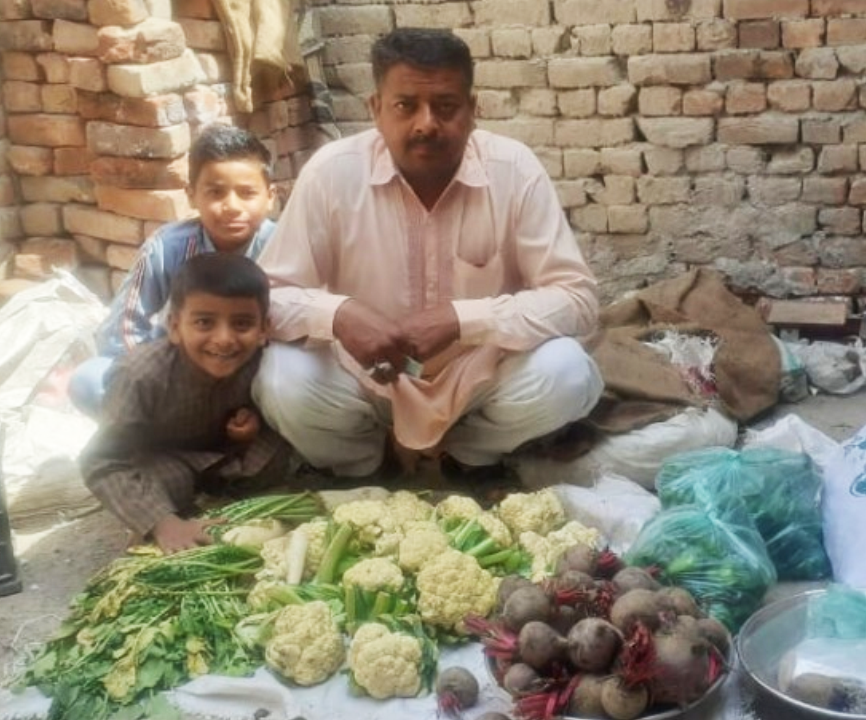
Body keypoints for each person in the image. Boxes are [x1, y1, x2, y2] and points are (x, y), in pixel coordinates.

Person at [253, 27, 604, 481]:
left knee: (567, 372)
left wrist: (464, 320)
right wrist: (340, 315)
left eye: (445, 106)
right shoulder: (331, 173)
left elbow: (578, 301)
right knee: (283, 380)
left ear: (473, 111)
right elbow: (267, 298)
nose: (426, 124)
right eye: (405, 106)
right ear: (375, 110)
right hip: (367, 379)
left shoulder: (514, 170)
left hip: (477, 378)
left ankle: (464, 458)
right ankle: (368, 467)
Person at [79, 253, 288, 554]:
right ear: (175, 326)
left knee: (276, 452)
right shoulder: (140, 374)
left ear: (264, 329)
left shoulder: (265, 361)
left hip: (226, 454)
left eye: (242, 324)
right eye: (204, 322)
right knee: (165, 483)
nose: (224, 339)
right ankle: (165, 516)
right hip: (166, 457)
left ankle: (217, 495)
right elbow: (101, 460)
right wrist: (163, 523)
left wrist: (250, 430)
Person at [68, 124, 277, 417]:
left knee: (285, 385)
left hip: (247, 373)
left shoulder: (284, 247)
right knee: (88, 381)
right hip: (175, 373)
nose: (231, 206)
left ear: (270, 196)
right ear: (191, 195)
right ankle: (165, 440)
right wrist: (154, 376)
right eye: (216, 193)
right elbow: (123, 329)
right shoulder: (167, 247)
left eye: (246, 193)